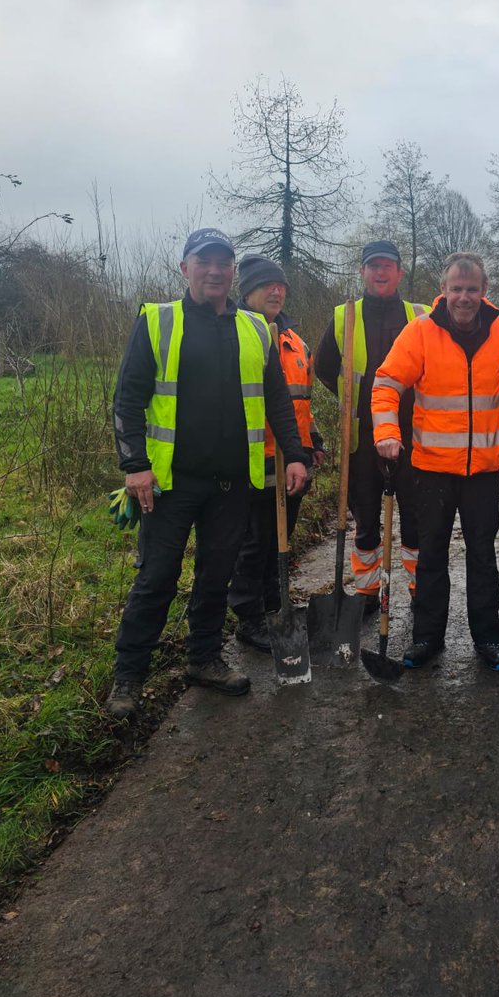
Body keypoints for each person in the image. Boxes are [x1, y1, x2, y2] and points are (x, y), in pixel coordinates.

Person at [106, 229, 311, 721]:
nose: (215, 271)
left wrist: (296, 453)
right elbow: (128, 398)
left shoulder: (255, 328)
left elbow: (278, 400)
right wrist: (135, 467)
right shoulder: (157, 321)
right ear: (185, 267)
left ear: (233, 272)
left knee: (215, 577)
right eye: (205, 262)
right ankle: (128, 677)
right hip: (170, 483)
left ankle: (203, 659)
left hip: (232, 481)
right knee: (157, 578)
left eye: (224, 263)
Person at [372, 252, 499, 671]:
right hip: (430, 468)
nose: (465, 297)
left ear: (484, 291)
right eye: (457, 289)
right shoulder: (420, 332)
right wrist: (388, 434)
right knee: (431, 556)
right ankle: (427, 637)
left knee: (483, 555)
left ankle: (488, 640)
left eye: (472, 289)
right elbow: (386, 384)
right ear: (443, 291)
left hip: (483, 470)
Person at [315, 240, 429, 613]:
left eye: (388, 266)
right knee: (366, 518)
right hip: (361, 437)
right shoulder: (343, 316)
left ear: (400, 272)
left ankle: (418, 588)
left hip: (414, 434)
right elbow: (323, 368)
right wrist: (352, 398)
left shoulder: (422, 316)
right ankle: (366, 594)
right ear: (362, 272)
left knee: (415, 517)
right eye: (373, 266)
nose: (380, 273)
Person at [227, 254, 325, 652]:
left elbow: (302, 401)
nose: (276, 290)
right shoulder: (233, 335)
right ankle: (248, 616)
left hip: (292, 458)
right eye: (266, 284)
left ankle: (275, 605)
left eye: (281, 284)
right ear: (246, 291)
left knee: (281, 539)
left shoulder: (294, 341)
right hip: (253, 457)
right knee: (255, 542)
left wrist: (312, 441)